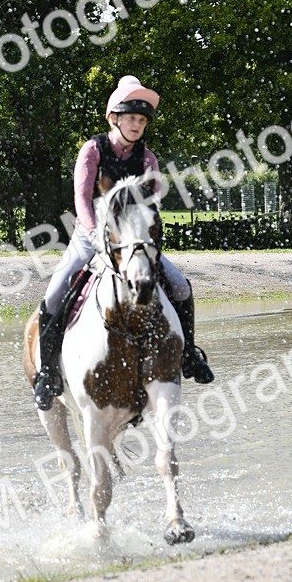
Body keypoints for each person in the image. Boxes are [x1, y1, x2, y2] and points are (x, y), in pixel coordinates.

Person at [33, 75, 214, 410]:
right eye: (131, 117)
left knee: (180, 286)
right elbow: (82, 200)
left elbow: (152, 206)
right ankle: (46, 373)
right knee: (55, 290)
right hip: (92, 237)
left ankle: (189, 354)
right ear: (114, 118)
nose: (136, 124)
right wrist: (94, 237)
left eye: (142, 120)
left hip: (134, 242)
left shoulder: (148, 159)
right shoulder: (92, 150)